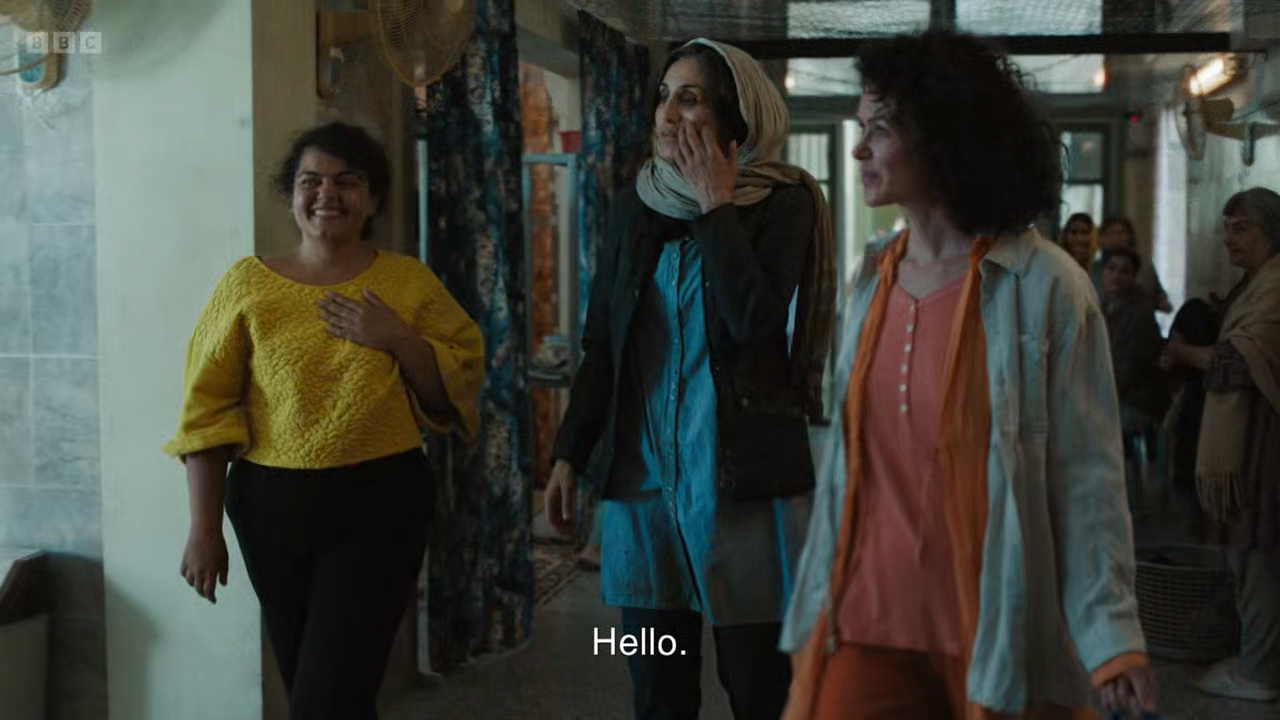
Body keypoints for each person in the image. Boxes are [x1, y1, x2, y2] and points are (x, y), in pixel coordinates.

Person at [779, 31, 1158, 720]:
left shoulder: (1044, 287)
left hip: (991, 628)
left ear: (945, 138)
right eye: (861, 128)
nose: (860, 150)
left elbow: (1086, 477)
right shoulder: (872, 278)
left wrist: (1111, 636)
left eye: (880, 128)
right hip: (865, 618)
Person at [544, 38, 836, 720]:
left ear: (735, 117)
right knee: (659, 690)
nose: (669, 113)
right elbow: (602, 345)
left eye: (691, 97)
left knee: (757, 686)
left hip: (741, 496)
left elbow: (755, 323)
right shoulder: (634, 207)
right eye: (663, 96)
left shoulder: (783, 203)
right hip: (643, 499)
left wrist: (716, 208)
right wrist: (568, 454)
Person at [165, 121, 485, 719]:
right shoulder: (246, 284)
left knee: (325, 700)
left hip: (381, 507)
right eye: (310, 180)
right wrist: (203, 528)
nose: (327, 193)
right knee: (329, 693)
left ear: (374, 198)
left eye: (347, 180)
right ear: (291, 194)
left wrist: (398, 338)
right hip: (270, 511)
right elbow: (206, 410)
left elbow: (457, 385)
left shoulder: (408, 283)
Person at [1162, 187, 1280, 703]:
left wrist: (1183, 353)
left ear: (1271, 233)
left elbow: (1236, 362)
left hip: (1262, 439)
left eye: (1242, 229)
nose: (1229, 239)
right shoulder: (1255, 283)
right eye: (1226, 229)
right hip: (1248, 436)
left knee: (1256, 551)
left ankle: (1260, 670)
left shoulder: (1275, 286)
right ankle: (1258, 656)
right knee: (1244, 550)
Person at [1100, 248, 1169, 508]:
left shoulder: (1139, 313)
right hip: (1116, 390)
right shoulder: (1101, 306)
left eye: (1125, 271)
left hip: (1136, 399)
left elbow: (1131, 366)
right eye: (1111, 268)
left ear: (1133, 277)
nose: (1117, 275)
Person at [1093, 215, 1172, 313]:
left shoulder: (1145, 267)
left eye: (1119, 233)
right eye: (1109, 234)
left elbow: (1162, 302)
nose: (1115, 239)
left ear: (1129, 237)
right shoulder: (1093, 269)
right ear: (1101, 239)